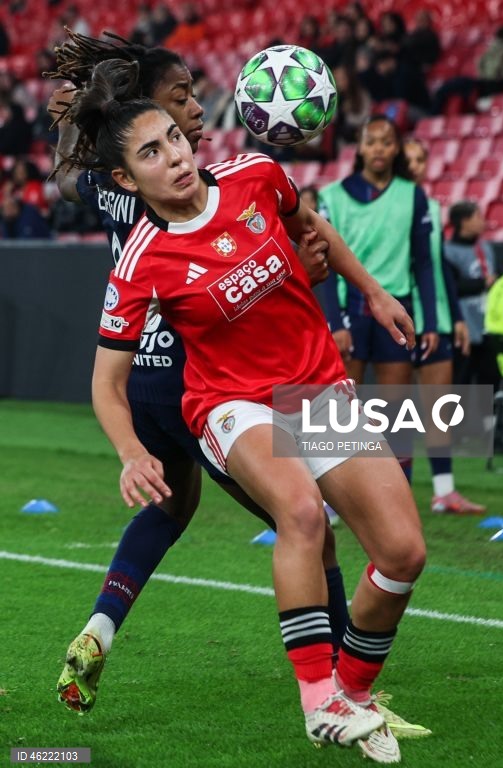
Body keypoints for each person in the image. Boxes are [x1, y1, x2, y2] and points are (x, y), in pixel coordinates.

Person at [64, 57, 429, 759]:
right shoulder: (141, 260)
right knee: (298, 512)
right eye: (150, 153)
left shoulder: (254, 175)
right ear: (124, 180)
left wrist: (375, 294)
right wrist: (132, 451)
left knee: (404, 553)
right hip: (229, 404)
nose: (173, 155)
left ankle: (351, 695)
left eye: (173, 138)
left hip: (318, 387)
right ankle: (317, 700)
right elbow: (105, 384)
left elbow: (311, 223)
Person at [47, 29, 350, 714]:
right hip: (199, 378)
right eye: (179, 101)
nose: (193, 114)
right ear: (142, 120)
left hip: (143, 372)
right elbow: (222, 269)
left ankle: (99, 627)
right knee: (307, 522)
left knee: (172, 505)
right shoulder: (192, 188)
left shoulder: (109, 179)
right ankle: (341, 683)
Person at [319, 115, 438, 482]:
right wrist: (335, 322)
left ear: (397, 148)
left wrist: (430, 320)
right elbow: (322, 262)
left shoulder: (413, 194)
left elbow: (423, 263)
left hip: (396, 307)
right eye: (371, 141)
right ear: (359, 147)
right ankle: (333, 497)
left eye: (386, 142)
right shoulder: (333, 196)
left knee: (396, 407)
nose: (379, 149)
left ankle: (395, 487)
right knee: (340, 407)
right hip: (350, 307)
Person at [404, 138, 486, 514]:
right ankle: (354, 497)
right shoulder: (379, 207)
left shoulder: (432, 208)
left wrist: (455, 318)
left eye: (421, 159)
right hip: (399, 316)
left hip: (434, 317)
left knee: (440, 408)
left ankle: (444, 491)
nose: (417, 165)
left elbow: (438, 268)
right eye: (410, 159)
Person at [444, 200, 501, 391]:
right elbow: (450, 287)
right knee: (461, 382)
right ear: (464, 221)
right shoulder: (447, 252)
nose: (483, 222)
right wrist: (482, 283)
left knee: (491, 379)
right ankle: (458, 421)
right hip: (464, 327)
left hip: (489, 326)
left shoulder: (485, 248)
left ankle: (489, 420)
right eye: (478, 216)